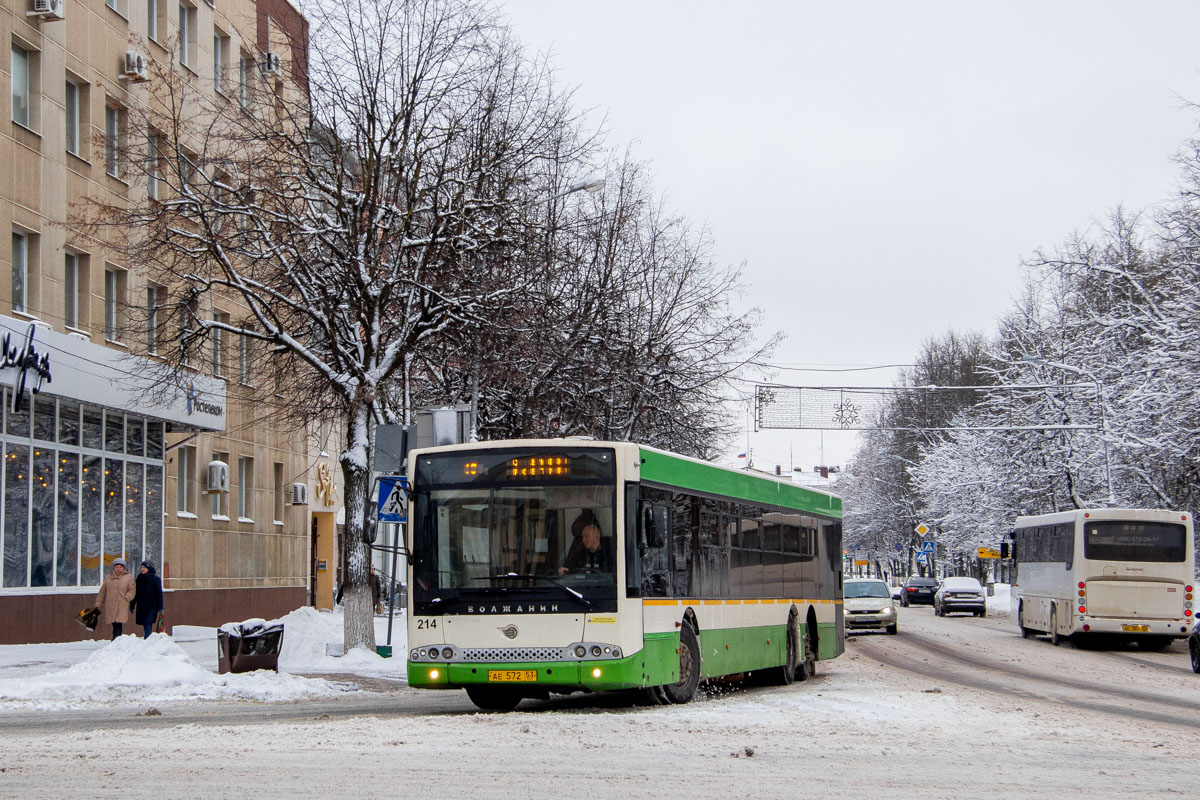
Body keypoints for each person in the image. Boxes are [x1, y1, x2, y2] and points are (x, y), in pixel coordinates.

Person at [95, 558, 135, 640]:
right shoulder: (108, 578)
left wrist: (127, 597)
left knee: (118, 623)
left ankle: (115, 640)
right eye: (117, 567)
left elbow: (132, 589)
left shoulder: (128, 577)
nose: (118, 569)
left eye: (121, 567)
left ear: (124, 568)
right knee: (114, 623)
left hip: (122, 605)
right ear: (113, 568)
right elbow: (103, 591)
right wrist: (98, 603)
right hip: (111, 605)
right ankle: (116, 641)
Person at [134, 561, 164, 639]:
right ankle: (148, 639)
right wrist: (132, 604)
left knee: (148, 622)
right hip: (141, 605)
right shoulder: (139, 578)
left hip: (151, 605)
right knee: (144, 623)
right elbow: (136, 593)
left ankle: (147, 639)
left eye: (144, 568)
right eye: (141, 567)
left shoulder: (155, 579)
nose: (142, 569)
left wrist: (160, 608)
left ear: (149, 568)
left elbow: (159, 594)